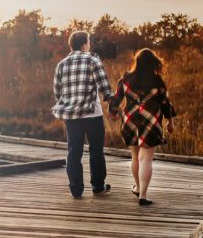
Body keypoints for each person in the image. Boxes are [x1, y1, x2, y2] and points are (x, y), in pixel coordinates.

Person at [108, 48, 176, 206]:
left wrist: (113, 113)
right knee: (146, 159)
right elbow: (166, 103)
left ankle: (138, 187)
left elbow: (116, 98)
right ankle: (143, 196)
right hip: (151, 121)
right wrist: (170, 122)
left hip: (130, 120)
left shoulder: (126, 79)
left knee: (135, 157)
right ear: (153, 63)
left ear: (137, 62)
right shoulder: (158, 81)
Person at [52, 30, 115, 199]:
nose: (90, 44)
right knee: (96, 151)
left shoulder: (62, 64)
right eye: (89, 41)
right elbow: (104, 88)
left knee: (74, 152)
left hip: (71, 117)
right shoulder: (93, 61)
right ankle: (98, 187)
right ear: (84, 44)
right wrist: (113, 103)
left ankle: (76, 189)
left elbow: (58, 92)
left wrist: (70, 104)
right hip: (92, 114)